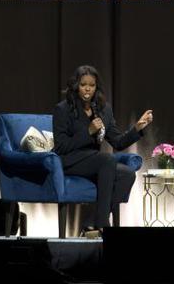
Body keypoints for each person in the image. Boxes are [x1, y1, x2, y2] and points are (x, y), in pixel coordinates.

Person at [53, 65, 153, 236]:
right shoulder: (63, 109)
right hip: (70, 160)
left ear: (96, 87)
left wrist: (136, 128)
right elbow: (61, 146)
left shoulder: (103, 109)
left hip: (95, 161)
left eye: (91, 85)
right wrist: (88, 132)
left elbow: (118, 142)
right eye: (83, 84)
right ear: (76, 85)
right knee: (106, 160)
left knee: (128, 173)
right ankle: (103, 225)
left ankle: (91, 223)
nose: (87, 89)